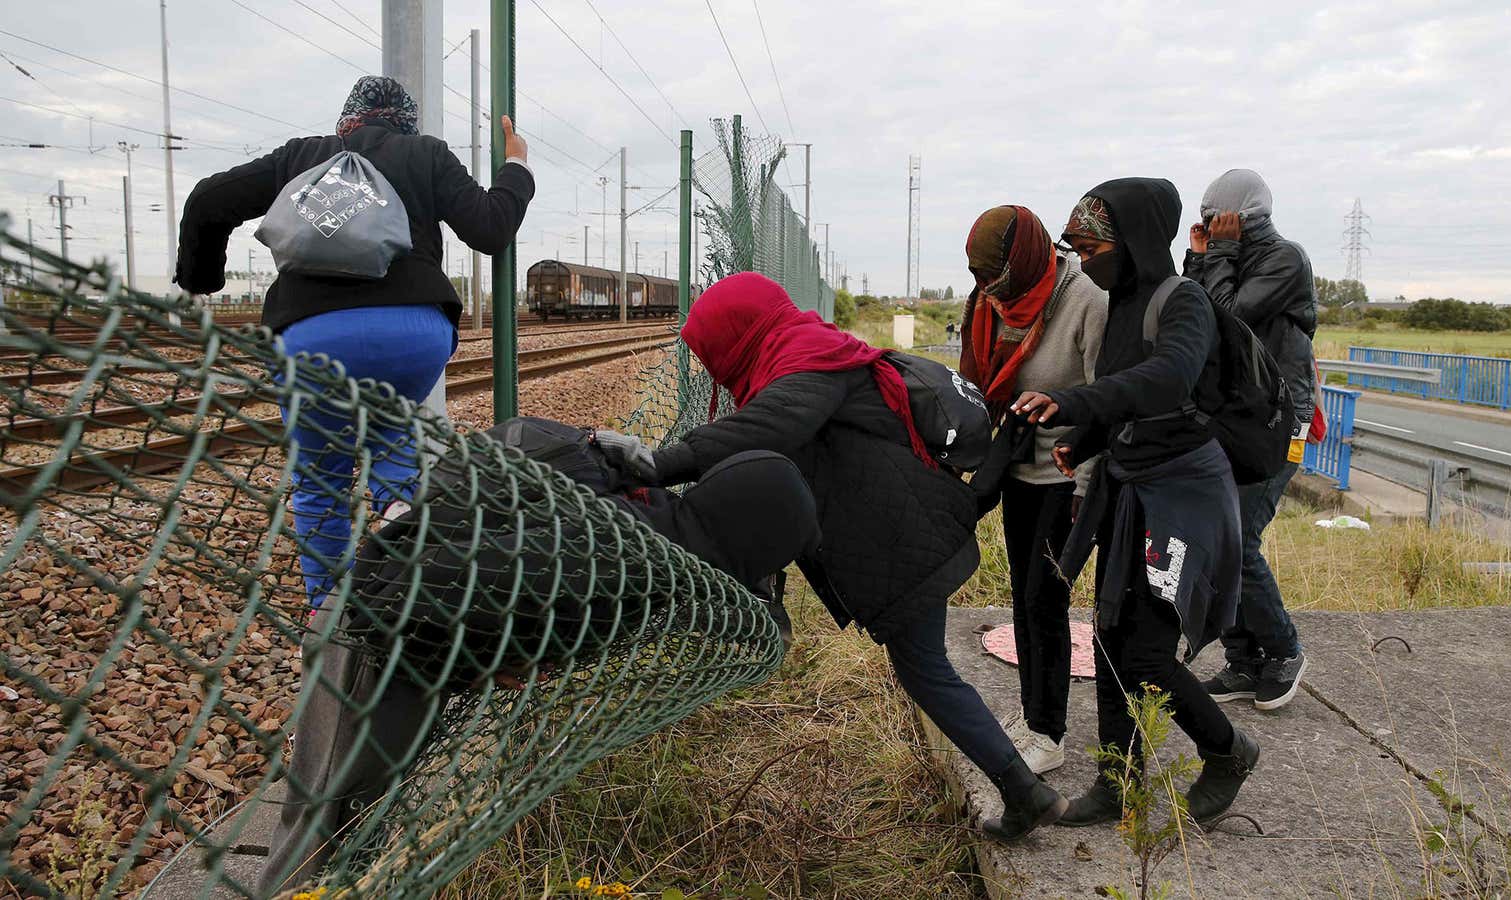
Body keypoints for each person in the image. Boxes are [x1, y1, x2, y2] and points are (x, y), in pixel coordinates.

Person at [257, 416, 821, 896]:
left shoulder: (661, 525)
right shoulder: (629, 564)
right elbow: (435, 584)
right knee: (322, 824)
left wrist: (502, 650)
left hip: (403, 641)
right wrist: (486, 656)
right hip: (371, 636)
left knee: (359, 821)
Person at [594, 272, 1068, 841]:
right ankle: (1023, 790)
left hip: (899, 541)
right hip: (896, 531)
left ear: (738, 333)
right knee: (924, 669)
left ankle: (1024, 790)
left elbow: (770, 427)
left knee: (927, 670)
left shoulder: (808, 361)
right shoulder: (796, 352)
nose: (708, 364)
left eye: (710, 349)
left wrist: (660, 461)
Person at [175, 75, 537, 611]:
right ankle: (407, 582)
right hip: (412, 335)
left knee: (321, 476)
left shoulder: (301, 157)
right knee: (394, 443)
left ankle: (329, 619)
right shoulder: (426, 155)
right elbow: (489, 228)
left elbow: (209, 198)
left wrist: (202, 278)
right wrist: (517, 168)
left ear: (347, 119)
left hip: (312, 337)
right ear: (407, 123)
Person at [1012, 177, 1257, 826]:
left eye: (1091, 246)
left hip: (1181, 497)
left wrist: (1073, 405)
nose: (1084, 259)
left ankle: (1228, 749)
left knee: (1147, 651)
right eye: (1077, 248)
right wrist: (1084, 440)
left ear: (1133, 241)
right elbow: (1120, 390)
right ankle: (1118, 782)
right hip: (1130, 487)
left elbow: (1167, 378)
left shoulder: (1184, 303)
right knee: (1115, 637)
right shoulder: (1120, 305)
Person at [959, 205, 1105, 774]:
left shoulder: (1086, 300)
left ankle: (1050, 733)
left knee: (1047, 600)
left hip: (1066, 479)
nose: (990, 295)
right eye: (981, 284)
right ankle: (1031, 711)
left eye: (999, 283)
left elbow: (1107, 398)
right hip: (1018, 468)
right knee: (1023, 595)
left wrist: (1085, 487)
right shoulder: (990, 301)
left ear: (1026, 262)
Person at [1183, 169, 1314, 710]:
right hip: (1237, 415)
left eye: (1220, 221)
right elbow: (1194, 314)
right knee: (1219, 539)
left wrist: (1221, 253)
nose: (1213, 228)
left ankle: (1284, 650)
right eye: (1210, 223)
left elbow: (1230, 316)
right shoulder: (1226, 257)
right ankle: (1244, 659)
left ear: (1244, 219)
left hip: (1280, 421)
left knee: (1242, 541)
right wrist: (1198, 259)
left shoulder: (1286, 258)